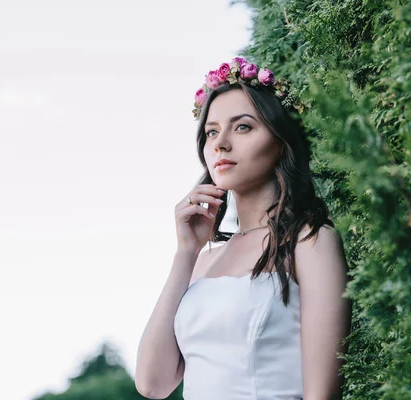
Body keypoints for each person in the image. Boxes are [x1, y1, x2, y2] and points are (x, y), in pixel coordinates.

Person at [135, 57, 352, 400]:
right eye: (211, 132)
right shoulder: (203, 261)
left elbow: (323, 394)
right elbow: (152, 383)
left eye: (243, 126)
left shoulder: (310, 241)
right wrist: (186, 252)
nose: (220, 143)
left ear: (280, 140)